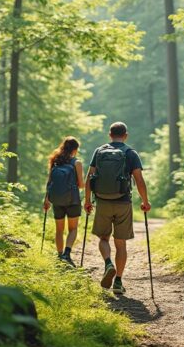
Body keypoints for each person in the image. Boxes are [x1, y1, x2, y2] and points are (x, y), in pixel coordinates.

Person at [84, 122, 151, 294]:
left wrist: (87, 201)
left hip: (103, 201)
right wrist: (145, 201)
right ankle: (118, 282)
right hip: (123, 202)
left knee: (103, 238)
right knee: (121, 244)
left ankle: (108, 264)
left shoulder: (99, 152)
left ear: (110, 134)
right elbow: (139, 180)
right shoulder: (130, 153)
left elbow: (89, 178)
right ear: (125, 135)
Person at [44, 137, 85, 266]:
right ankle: (67, 254)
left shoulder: (55, 161)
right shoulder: (76, 163)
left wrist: (46, 199)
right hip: (72, 200)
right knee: (72, 229)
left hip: (56, 200)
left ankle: (59, 255)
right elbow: (81, 185)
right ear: (75, 149)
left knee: (59, 229)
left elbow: (50, 182)